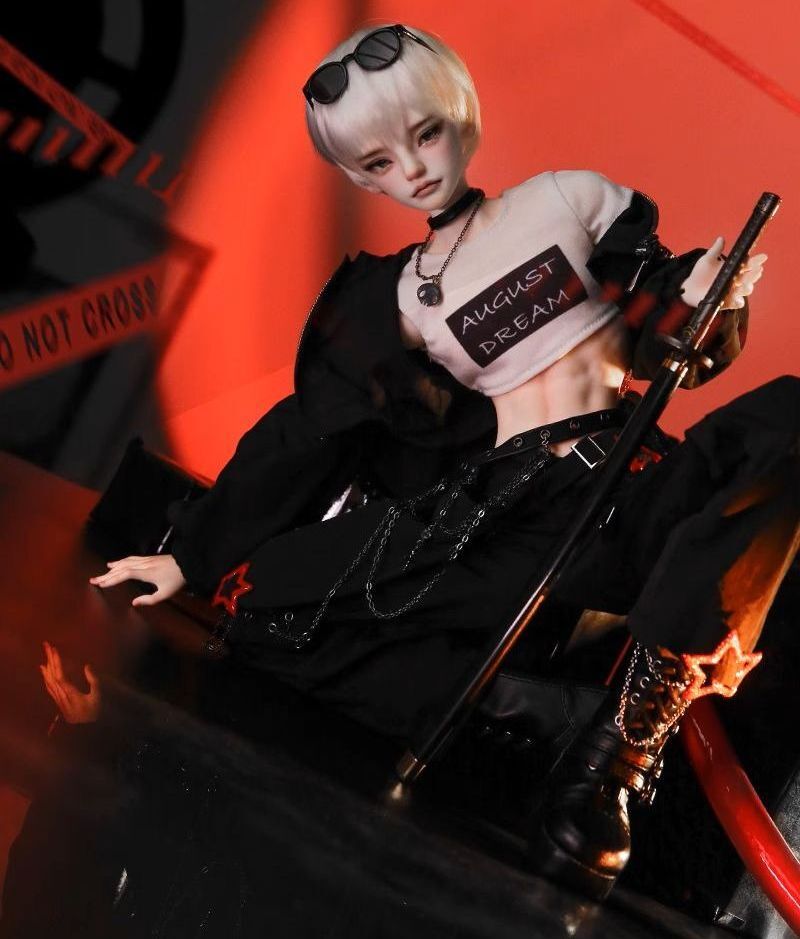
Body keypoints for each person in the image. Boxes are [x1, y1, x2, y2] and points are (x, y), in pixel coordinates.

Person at [54, 22, 796, 902]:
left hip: (629, 485)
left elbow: (663, 340)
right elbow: (309, 431)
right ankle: (526, 707)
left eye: (425, 134)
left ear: (461, 114)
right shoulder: (396, 298)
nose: (410, 169)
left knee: (788, 421)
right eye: (378, 162)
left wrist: (705, 298)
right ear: (357, 176)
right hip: (512, 508)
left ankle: (630, 736)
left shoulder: (569, 200)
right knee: (268, 608)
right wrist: (190, 551)